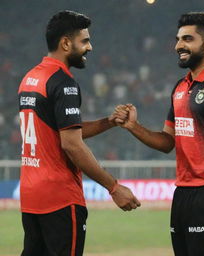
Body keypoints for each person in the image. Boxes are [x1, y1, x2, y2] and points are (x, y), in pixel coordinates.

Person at [114, 12, 204, 256]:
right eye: (178, 39)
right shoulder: (180, 87)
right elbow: (167, 142)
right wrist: (134, 127)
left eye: (188, 39)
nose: (179, 46)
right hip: (182, 195)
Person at [18, 10, 140, 256]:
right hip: (60, 199)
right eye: (84, 41)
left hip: (31, 198)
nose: (90, 47)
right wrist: (113, 187)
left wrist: (109, 121)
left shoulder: (31, 78)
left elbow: (63, 131)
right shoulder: (63, 82)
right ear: (65, 43)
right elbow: (71, 144)